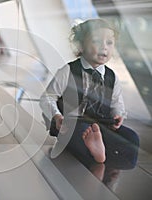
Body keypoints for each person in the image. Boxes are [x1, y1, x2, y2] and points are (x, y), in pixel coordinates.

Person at [40, 18, 139, 164]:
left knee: (132, 138)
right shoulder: (68, 71)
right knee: (78, 135)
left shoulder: (111, 76)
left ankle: (99, 152)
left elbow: (116, 102)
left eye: (109, 43)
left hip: (101, 124)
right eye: (96, 41)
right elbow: (47, 97)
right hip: (72, 124)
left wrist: (118, 116)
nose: (104, 47)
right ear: (81, 45)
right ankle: (98, 152)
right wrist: (57, 116)